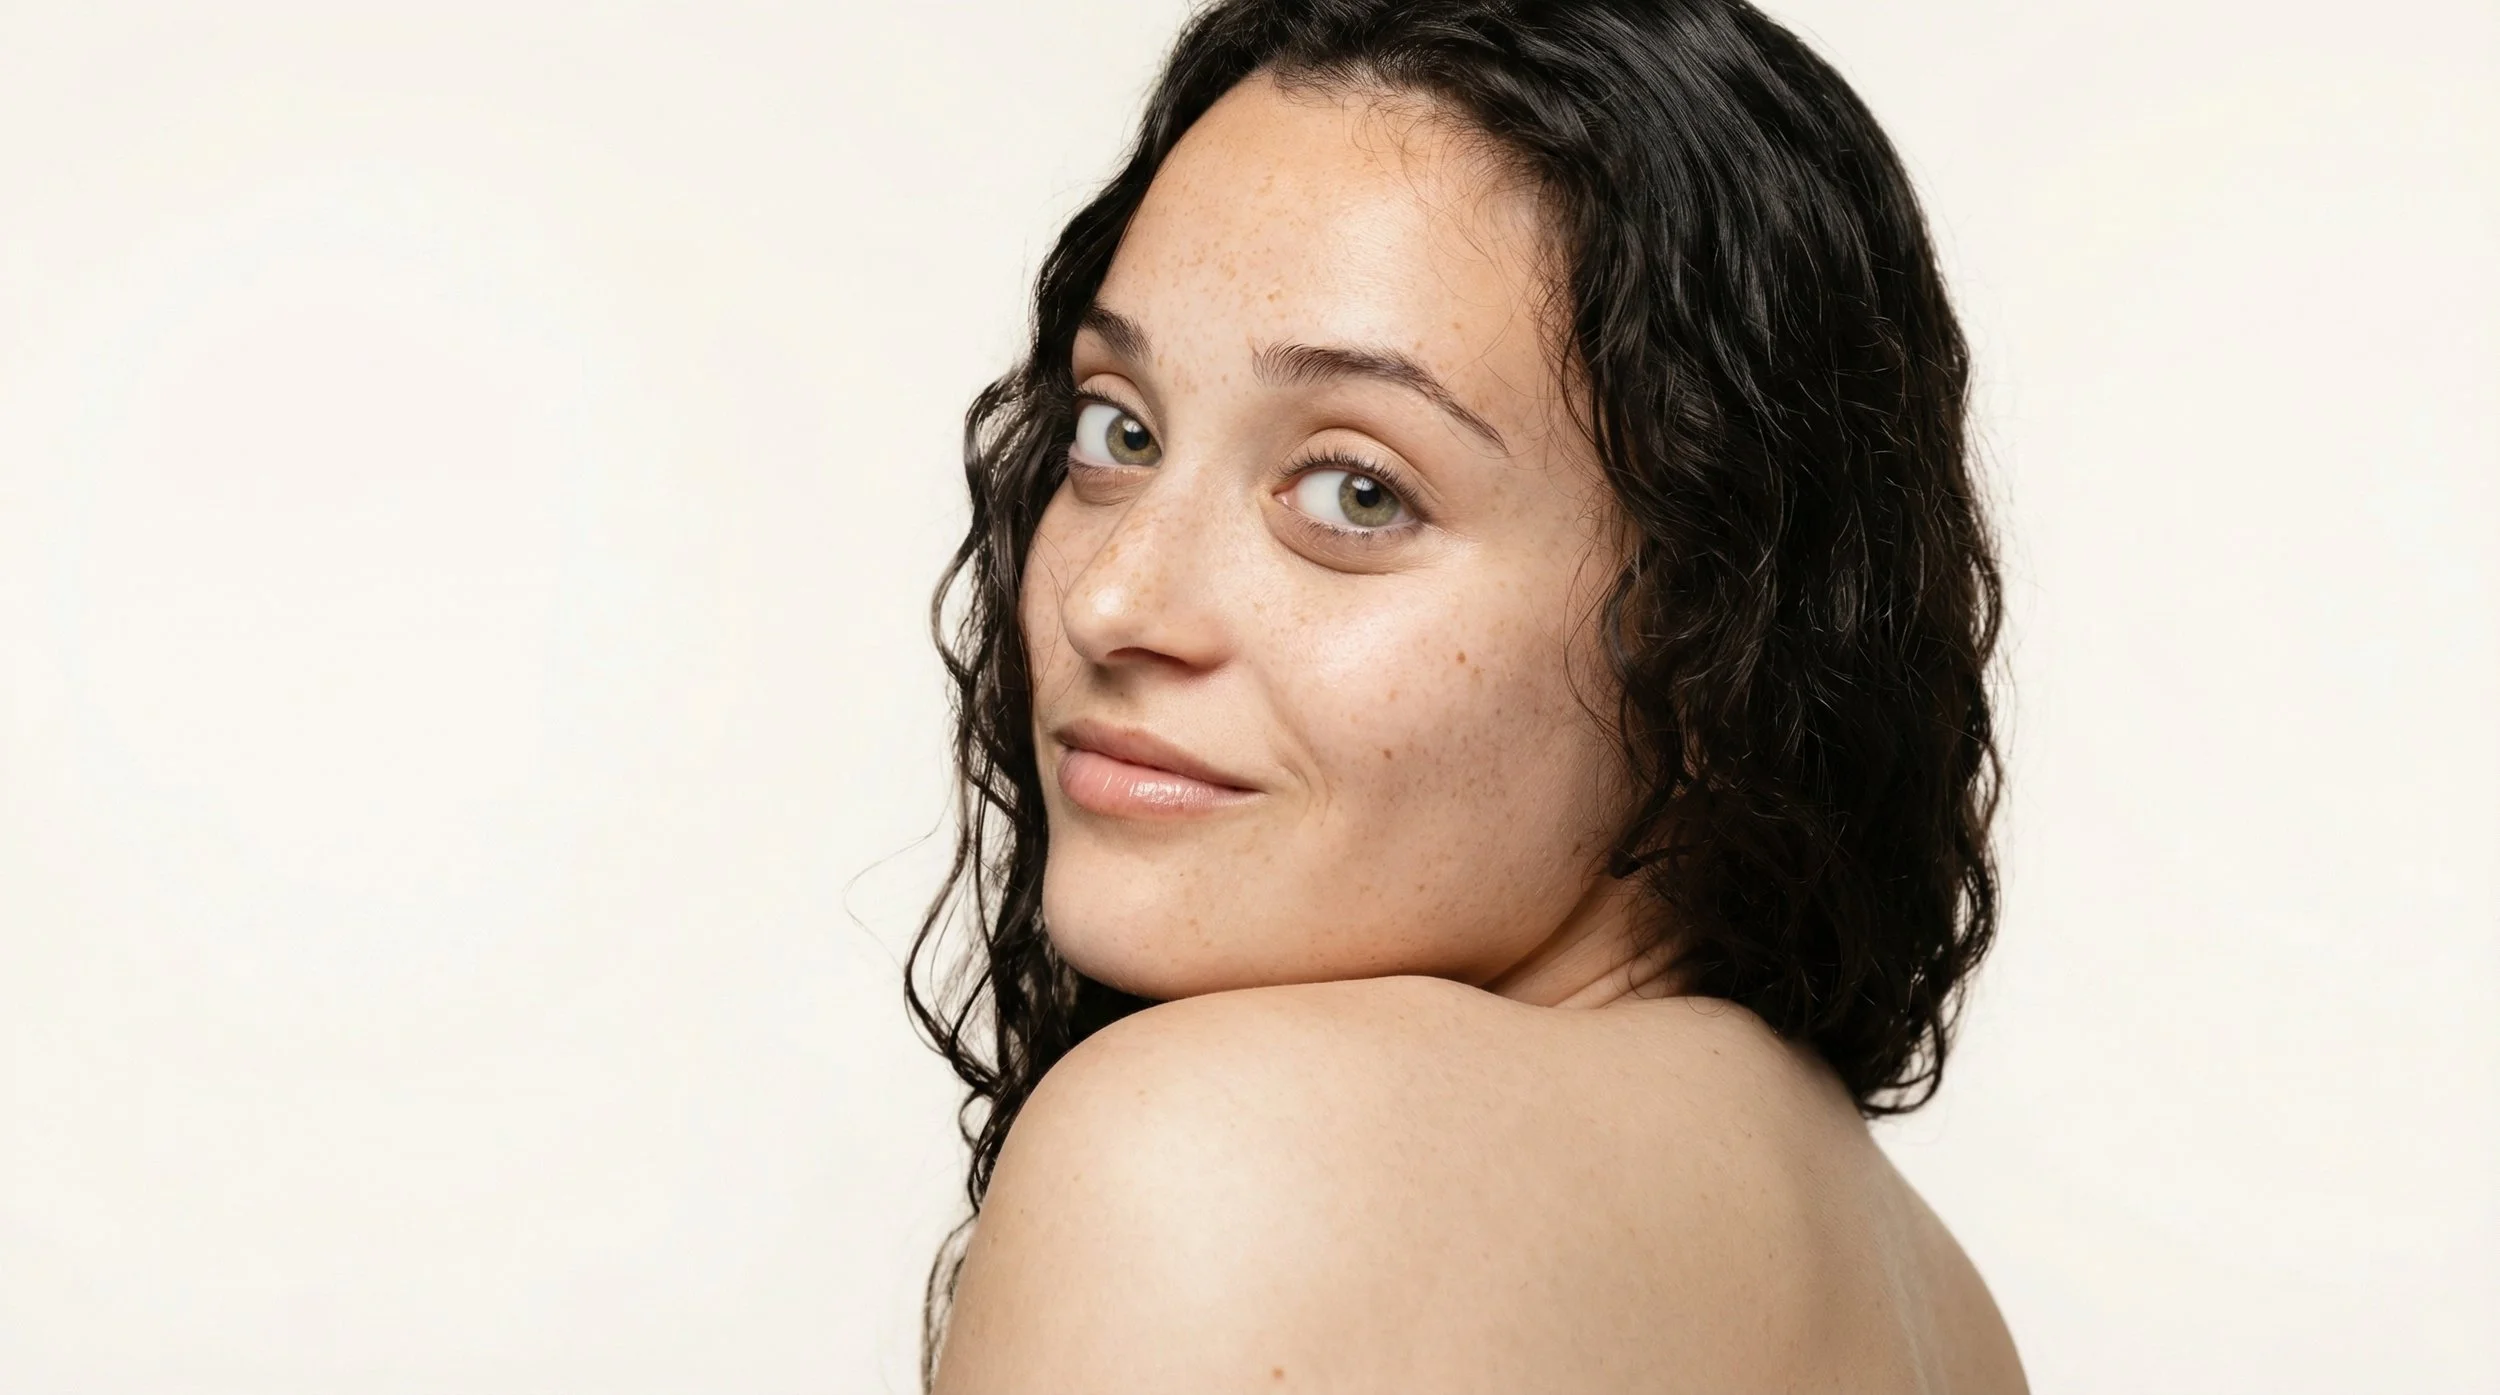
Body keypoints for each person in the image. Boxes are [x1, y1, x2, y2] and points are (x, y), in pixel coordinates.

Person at [906, 0, 2024, 1388]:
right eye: (1117, 430)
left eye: (1356, 490)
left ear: (1714, 618)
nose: (1109, 598)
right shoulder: (1933, 1301)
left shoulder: (1203, 1156)